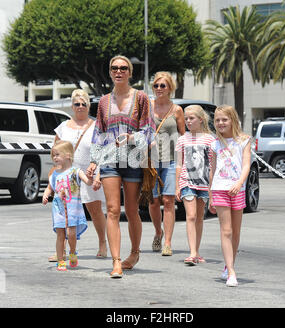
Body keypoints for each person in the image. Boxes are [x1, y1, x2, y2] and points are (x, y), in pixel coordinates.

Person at [86, 55, 155, 278]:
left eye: (123, 68)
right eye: (114, 68)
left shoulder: (141, 98)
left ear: (130, 72)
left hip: (134, 160)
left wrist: (132, 137)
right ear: (110, 72)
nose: (119, 71)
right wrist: (94, 161)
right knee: (113, 210)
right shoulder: (104, 101)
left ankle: (134, 253)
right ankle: (116, 261)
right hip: (110, 161)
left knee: (132, 210)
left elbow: (149, 129)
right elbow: (99, 132)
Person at [48, 89, 107, 262]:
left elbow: (103, 151)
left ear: (89, 106)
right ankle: (63, 250)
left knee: (94, 209)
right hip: (66, 175)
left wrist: (97, 173)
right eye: (77, 104)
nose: (80, 107)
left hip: (88, 171)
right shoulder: (63, 126)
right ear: (72, 106)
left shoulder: (96, 126)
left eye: (84, 104)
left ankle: (102, 243)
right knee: (64, 213)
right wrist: (54, 173)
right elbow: (55, 151)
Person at [209, 105, 251, 287]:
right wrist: (210, 194)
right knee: (226, 231)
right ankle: (231, 271)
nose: (220, 123)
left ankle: (229, 264)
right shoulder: (214, 144)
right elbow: (212, 170)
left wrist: (239, 183)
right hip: (220, 189)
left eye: (224, 119)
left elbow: (246, 165)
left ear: (233, 120)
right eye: (217, 120)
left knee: (235, 231)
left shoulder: (244, 140)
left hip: (238, 189)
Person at [149, 72, 185, 256]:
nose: (159, 89)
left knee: (168, 200)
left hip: (171, 160)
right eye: (156, 85)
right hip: (151, 161)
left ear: (170, 88)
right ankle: (158, 232)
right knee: (153, 200)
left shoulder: (177, 110)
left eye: (163, 86)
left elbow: (183, 136)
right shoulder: (147, 107)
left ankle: (168, 242)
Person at [175, 105, 215, 265]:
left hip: (204, 183)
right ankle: (191, 253)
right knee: (190, 216)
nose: (188, 121)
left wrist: (212, 190)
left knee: (199, 217)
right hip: (187, 181)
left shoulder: (210, 139)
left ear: (201, 119)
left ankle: (197, 252)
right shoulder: (182, 139)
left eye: (192, 118)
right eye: (186, 118)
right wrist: (177, 186)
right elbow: (179, 164)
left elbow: (213, 165)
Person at [43, 140, 91, 271]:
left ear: (68, 155)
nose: (55, 158)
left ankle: (73, 252)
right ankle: (60, 259)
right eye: (53, 155)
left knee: (71, 233)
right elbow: (50, 188)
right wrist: (45, 195)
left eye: (58, 154)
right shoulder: (54, 174)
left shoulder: (76, 171)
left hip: (73, 209)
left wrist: (91, 178)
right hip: (58, 209)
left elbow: (88, 181)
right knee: (60, 234)